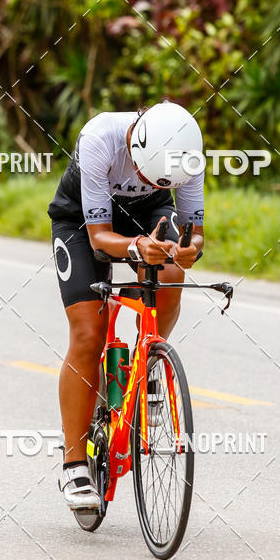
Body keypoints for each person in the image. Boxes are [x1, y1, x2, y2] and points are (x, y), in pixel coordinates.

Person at [48, 100, 205, 510]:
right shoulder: (101, 138)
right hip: (83, 224)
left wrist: (187, 251)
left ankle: (150, 360)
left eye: (154, 179)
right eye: (140, 172)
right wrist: (137, 246)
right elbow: (100, 238)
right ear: (135, 147)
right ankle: (74, 465)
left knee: (172, 272)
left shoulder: (187, 152)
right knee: (88, 332)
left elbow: (195, 234)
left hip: (147, 217)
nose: (141, 179)